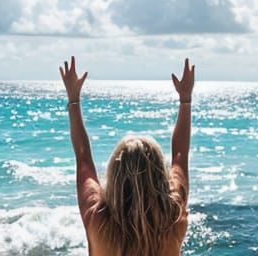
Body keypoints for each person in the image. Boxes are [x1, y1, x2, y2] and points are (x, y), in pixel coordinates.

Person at [61, 55, 195, 256]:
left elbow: (83, 160)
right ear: (159, 172)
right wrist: (185, 100)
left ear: (115, 174)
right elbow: (179, 156)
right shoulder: (173, 217)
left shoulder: (98, 220)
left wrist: (73, 99)